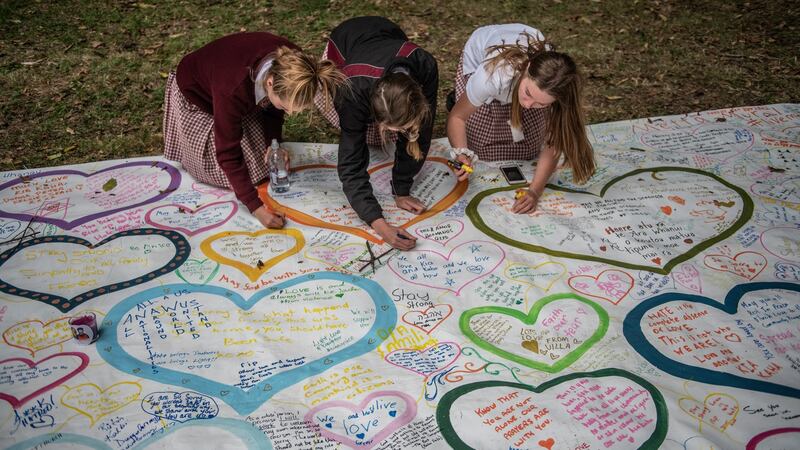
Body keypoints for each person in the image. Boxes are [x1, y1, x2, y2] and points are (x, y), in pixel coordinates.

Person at [163, 32, 345, 228]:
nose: (290, 114)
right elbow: (227, 153)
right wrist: (257, 209)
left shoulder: (296, 68)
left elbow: (273, 111)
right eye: (285, 108)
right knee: (228, 173)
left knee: (263, 161)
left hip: (238, 91)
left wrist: (272, 142)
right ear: (269, 83)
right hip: (198, 94)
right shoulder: (232, 89)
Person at [316, 17, 438, 250]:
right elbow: (351, 164)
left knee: (409, 131)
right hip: (345, 45)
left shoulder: (426, 65)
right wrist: (379, 224)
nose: (401, 134)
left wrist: (401, 189)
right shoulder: (351, 88)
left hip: (387, 33)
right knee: (355, 130)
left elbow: (423, 132)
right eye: (393, 129)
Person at [446, 24, 595, 214]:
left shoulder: (556, 83)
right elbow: (457, 117)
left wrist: (535, 191)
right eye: (528, 93)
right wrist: (461, 153)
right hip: (483, 57)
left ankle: (502, 95)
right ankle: (465, 96)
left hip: (516, 78)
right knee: (479, 148)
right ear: (529, 68)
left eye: (541, 104)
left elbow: (553, 143)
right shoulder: (493, 76)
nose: (528, 104)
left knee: (530, 146)